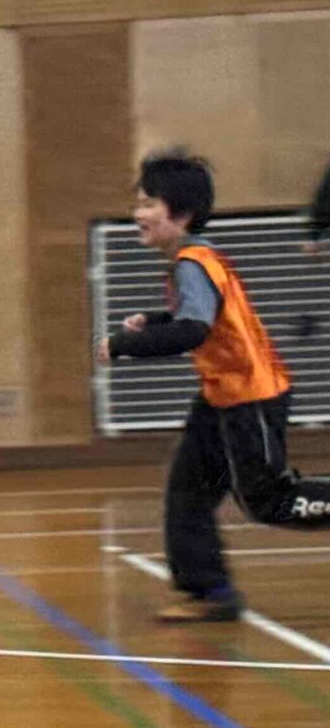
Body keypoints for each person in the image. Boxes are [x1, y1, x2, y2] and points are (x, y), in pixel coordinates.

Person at [101, 149, 330, 622]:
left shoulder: (193, 262)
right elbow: (201, 318)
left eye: (148, 204)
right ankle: (209, 591)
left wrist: (123, 345)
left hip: (251, 397)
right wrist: (156, 320)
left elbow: (193, 331)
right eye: (138, 203)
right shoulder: (193, 260)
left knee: (270, 501)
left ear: (181, 214)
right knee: (188, 490)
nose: (138, 214)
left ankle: (208, 588)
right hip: (220, 395)